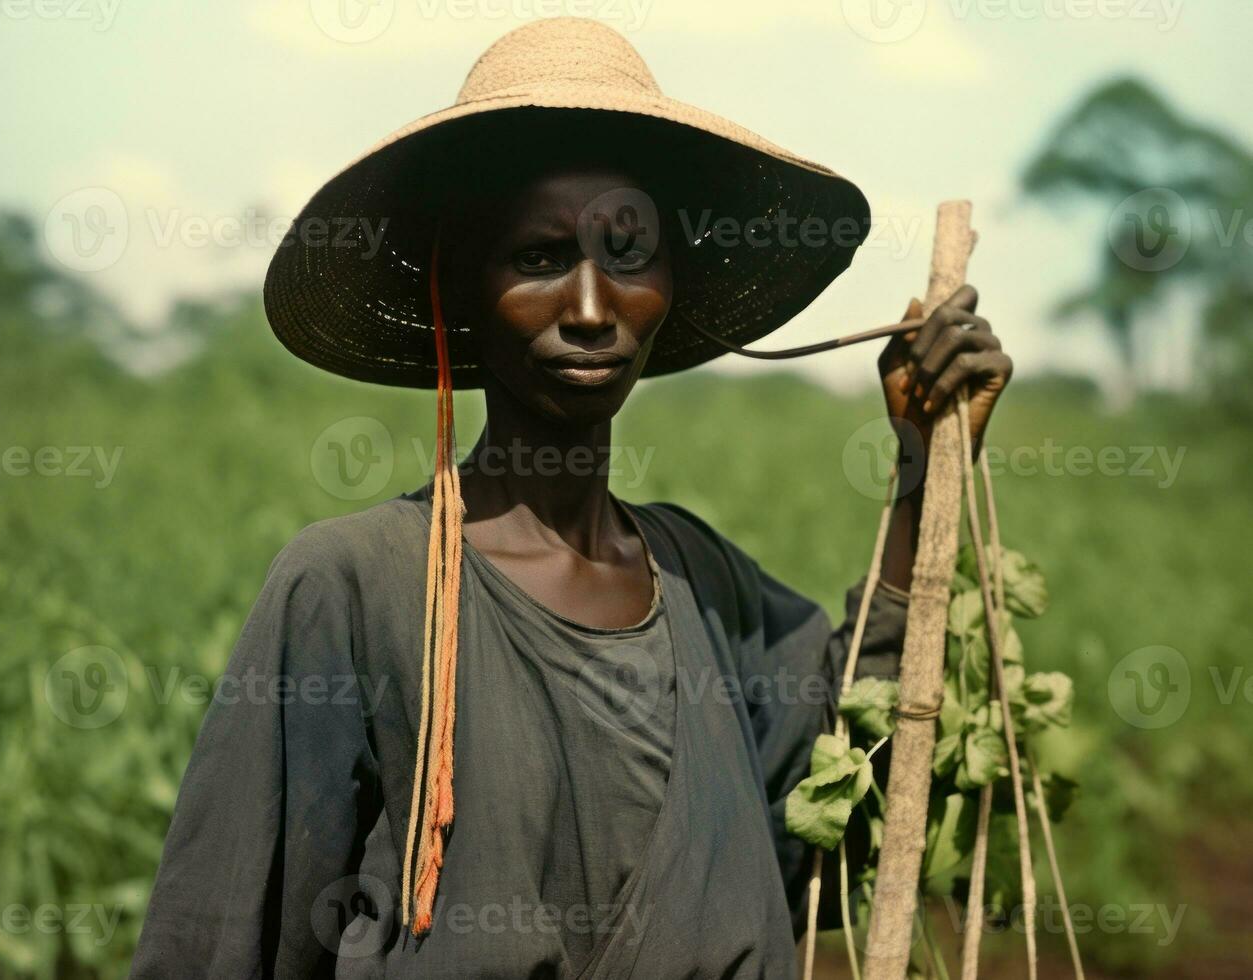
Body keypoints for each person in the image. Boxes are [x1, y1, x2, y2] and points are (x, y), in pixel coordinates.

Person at [130, 17, 1012, 979]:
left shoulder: (699, 580)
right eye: (541, 258)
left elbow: (835, 828)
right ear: (462, 289)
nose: (591, 309)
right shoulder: (354, 585)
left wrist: (925, 466)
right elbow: (225, 938)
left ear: (668, 283)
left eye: (627, 256)